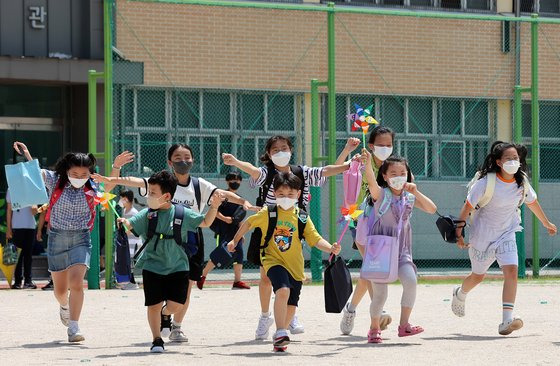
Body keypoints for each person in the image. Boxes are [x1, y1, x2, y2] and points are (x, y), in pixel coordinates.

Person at [93, 143, 256, 343]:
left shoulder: (199, 185)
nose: (183, 161)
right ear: (170, 162)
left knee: (186, 287)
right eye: (178, 157)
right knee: (159, 286)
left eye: (187, 157)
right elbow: (131, 182)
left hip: (190, 241)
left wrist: (242, 202)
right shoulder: (159, 184)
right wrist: (112, 174)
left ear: (193, 160)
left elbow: (221, 195)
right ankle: (161, 319)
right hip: (161, 242)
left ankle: (176, 326)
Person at [222, 135, 352, 339]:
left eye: (284, 148)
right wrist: (236, 162)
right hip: (267, 228)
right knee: (265, 278)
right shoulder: (267, 173)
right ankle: (266, 316)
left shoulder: (302, 172)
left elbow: (326, 171)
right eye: (275, 150)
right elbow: (253, 170)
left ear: (291, 150)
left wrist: (348, 162)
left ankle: (289, 315)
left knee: (291, 274)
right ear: (269, 154)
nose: (280, 152)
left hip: (292, 228)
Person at [12, 141, 132, 342]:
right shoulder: (56, 181)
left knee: (76, 283)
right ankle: (64, 306)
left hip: (81, 238)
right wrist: (27, 154)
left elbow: (110, 184)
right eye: (75, 174)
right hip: (57, 238)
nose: (80, 178)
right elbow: (37, 173)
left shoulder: (93, 185)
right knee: (60, 292)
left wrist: (116, 166)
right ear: (67, 170)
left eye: (84, 174)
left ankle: (74, 327)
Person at [451, 141, 557, 335]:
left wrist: (546, 223)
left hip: (507, 233)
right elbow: (467, 206)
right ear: (498, 162)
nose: (513, 161)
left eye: (516, 158)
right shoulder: (486, 182)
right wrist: (459, 232)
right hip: (483, 236)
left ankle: (506, 320)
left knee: (511, 270)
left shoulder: (522, 182)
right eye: (508, 158)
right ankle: (460, 293)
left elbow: (532, 202)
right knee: (477, 276)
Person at [227, 172, 341, 352]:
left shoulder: (302, 216)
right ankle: (280, 331)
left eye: (290, 194)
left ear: (298, 194)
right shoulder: (268, 212)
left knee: (291, 306)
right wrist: (235, 240)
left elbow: (315, 238)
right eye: (281, 194)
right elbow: (248, 223)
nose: (285, 198)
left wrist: (330, 248)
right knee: (282, 290)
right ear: (274, 193)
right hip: (272, 260)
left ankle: (280, 337)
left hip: (295, 266)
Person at [118, 170, 224, 353]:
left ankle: (166, 314)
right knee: (153, 304)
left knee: (177, 305)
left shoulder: (183, 214)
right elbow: (129, 226)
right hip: (152, 265)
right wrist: (123, 222)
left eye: (152, 193)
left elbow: (205, 222)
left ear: (166, 196)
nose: (148, 196)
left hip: (178, 266)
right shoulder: (147, 214)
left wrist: (213, 207)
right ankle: (156, 340)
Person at [359, 151, 437, 343]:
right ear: (385, 176)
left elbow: (431, 209)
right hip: (381, 253)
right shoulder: (381, 195)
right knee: (380, 294)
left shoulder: (409, 197)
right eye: (393, 174)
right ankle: (374, 328)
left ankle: (404, 326)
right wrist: (368, 163)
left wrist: (416, 191)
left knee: (410, 281)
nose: (398, 177)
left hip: (402, 251)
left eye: (402, 173)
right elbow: (370, 181)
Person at [335, 127, 397, 335]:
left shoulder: (393, 167)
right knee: (372, 266)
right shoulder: (360, 161)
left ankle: (350, 309)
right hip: (360, 221)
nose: (385, 148)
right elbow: (336, 168)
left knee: (368, 271)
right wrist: (347, 150)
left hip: (384, 224)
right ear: (371, 145)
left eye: (389, 145)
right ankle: (379, 311)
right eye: (381, 145)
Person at [198, 171, 249, 290]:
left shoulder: (239, 199)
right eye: (232, 179)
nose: (235, 182)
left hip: (235, 230)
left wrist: (242, 232)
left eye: (237, 180)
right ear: (227, 181)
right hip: (223, 229)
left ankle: (237, 281)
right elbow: (214, 210)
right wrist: (225, 219)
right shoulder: (222, 196)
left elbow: (240, 217)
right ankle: (203, 275)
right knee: (221, 253)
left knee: (239, 254)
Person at [6, 188, 38, 289]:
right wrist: (9, 228)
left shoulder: (32, 188)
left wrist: (35, 207)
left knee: (28, 255)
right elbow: (9, 210)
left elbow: (35, 211)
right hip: (16, 226)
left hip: (30, 226)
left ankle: (28, 281)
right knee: (17, 256)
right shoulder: (11, 188)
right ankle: (17, 281)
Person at [115, 190, 141, 290]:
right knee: (126, 262)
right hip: (127, 242)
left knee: (130, 262)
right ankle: (129, 282)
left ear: (125, 199)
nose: (120, 201)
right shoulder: (125, 211)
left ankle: (132, 283)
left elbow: (132, 229)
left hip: (133, 242)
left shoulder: (134, 213)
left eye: (121, 198)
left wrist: (123, 232)